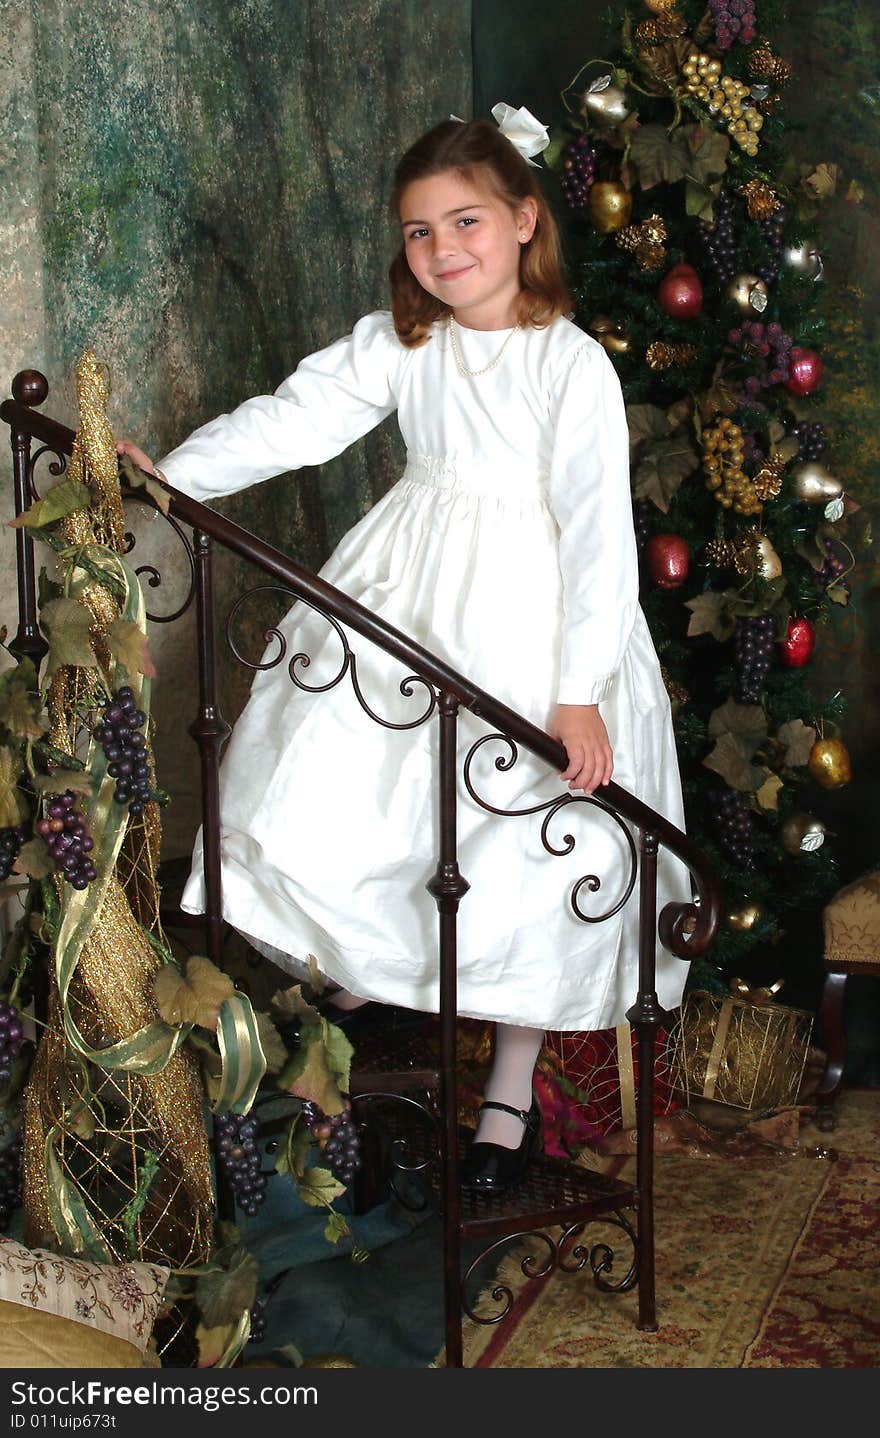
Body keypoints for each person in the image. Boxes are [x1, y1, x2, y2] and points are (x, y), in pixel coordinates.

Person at [117, 105, 691, 1193]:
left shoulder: (569, 366)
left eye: (466, 221)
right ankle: (366, 969)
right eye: (420, 232)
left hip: (537, 617)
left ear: (525, 221)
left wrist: (575, 694)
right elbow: (295, 417)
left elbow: (599, 534)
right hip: (414, 587)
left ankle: (507, 1107)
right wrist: (177, 475)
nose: (443, 251)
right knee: (355, 783)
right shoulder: (402, 340)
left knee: (528, 849)